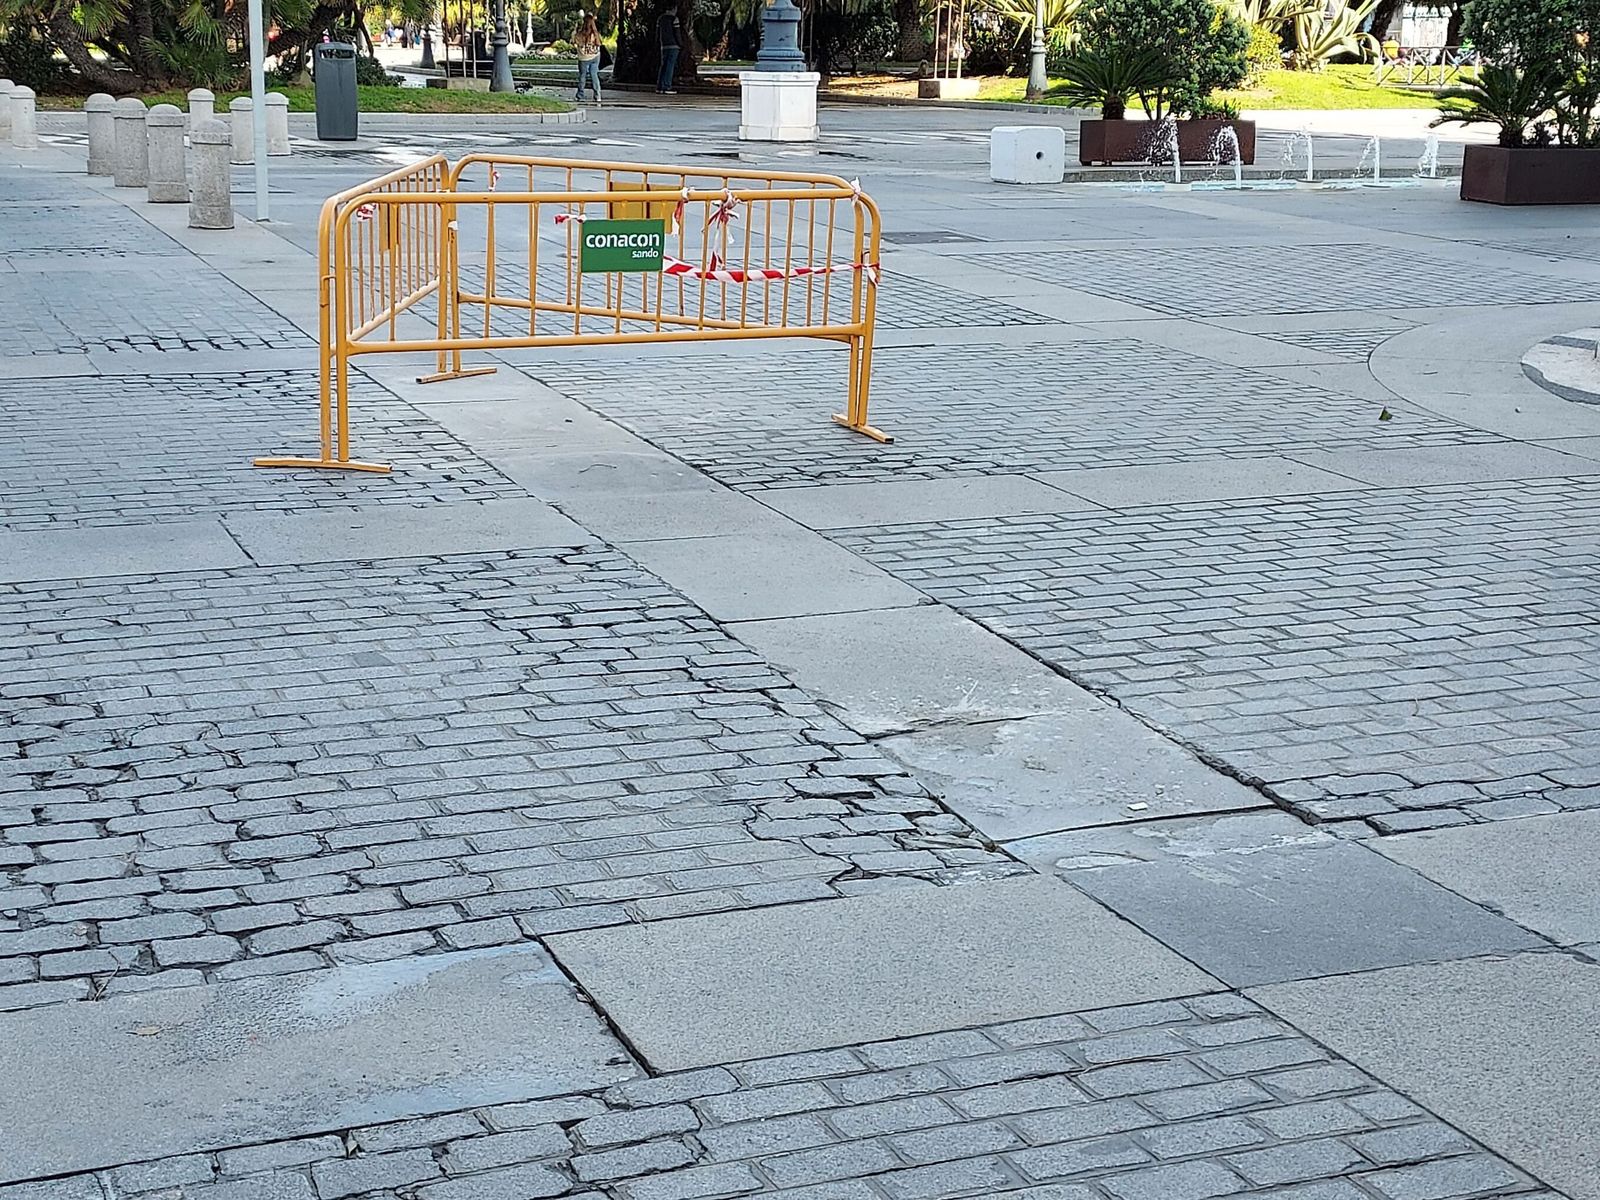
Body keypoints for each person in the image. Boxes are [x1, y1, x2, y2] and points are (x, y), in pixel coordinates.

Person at [574, 14, 603, 104]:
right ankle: (597, 95)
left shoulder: (579, 34)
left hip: (583, 58)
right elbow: (599, 44)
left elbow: (574, 42)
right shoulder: (596, 34)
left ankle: (580, 95)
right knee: (594, 75)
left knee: (583, 75)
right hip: (595, 56)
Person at [656, 8, 679, 94]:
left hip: (663, 45)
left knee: (663, 65)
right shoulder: (674, 19)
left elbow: (657, 34)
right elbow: (677, 33)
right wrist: (680, 44)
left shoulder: (660, 19)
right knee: (670, 66)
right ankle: (667, 86)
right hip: (673, 45)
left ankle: (660, 86)